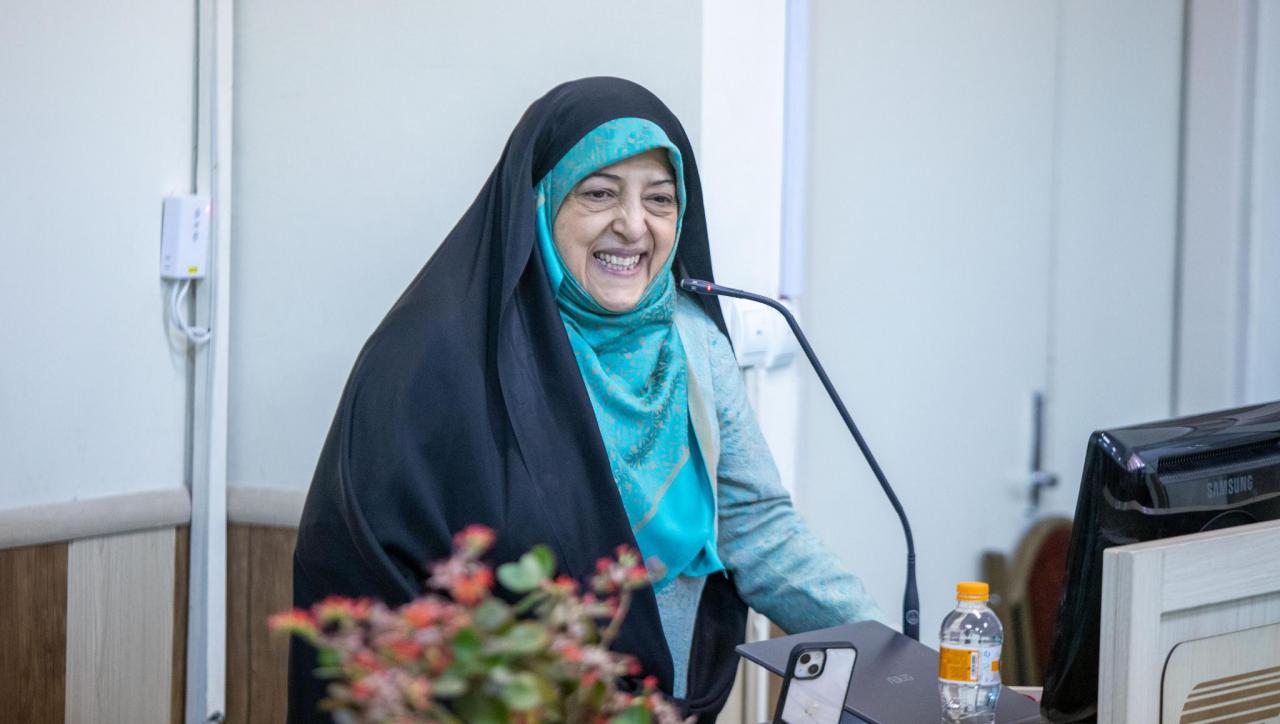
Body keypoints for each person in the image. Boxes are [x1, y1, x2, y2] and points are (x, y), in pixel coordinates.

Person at [289, 77, 883, 722]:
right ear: (540, 201)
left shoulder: (694, 343)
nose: (633, 225)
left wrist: (893, 661)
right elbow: (368, 567)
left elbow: (757, 527)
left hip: (666, 706)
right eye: (599, 193)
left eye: (660, 199)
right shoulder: (436, 357)